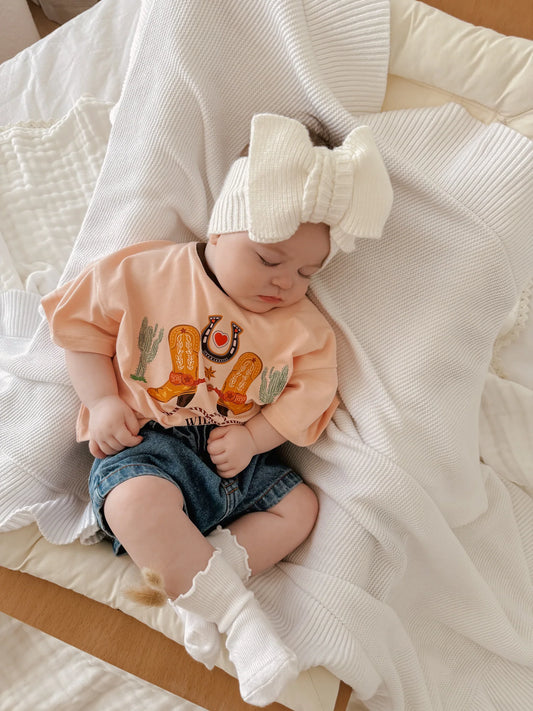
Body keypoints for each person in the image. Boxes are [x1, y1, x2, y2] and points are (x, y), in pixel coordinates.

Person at [42, 113, 393, 706]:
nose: (284, 283)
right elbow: (80, 328)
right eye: (268, 259)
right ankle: (237, 618)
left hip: (236, 465)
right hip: (149, 446)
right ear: (221, 228)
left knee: (300, 508)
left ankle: (196, 583)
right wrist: (101, 401)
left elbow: (311, 393)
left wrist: (256, 437)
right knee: (132, 501)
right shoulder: (148, 272)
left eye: (307, 272)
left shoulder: (302, 329)